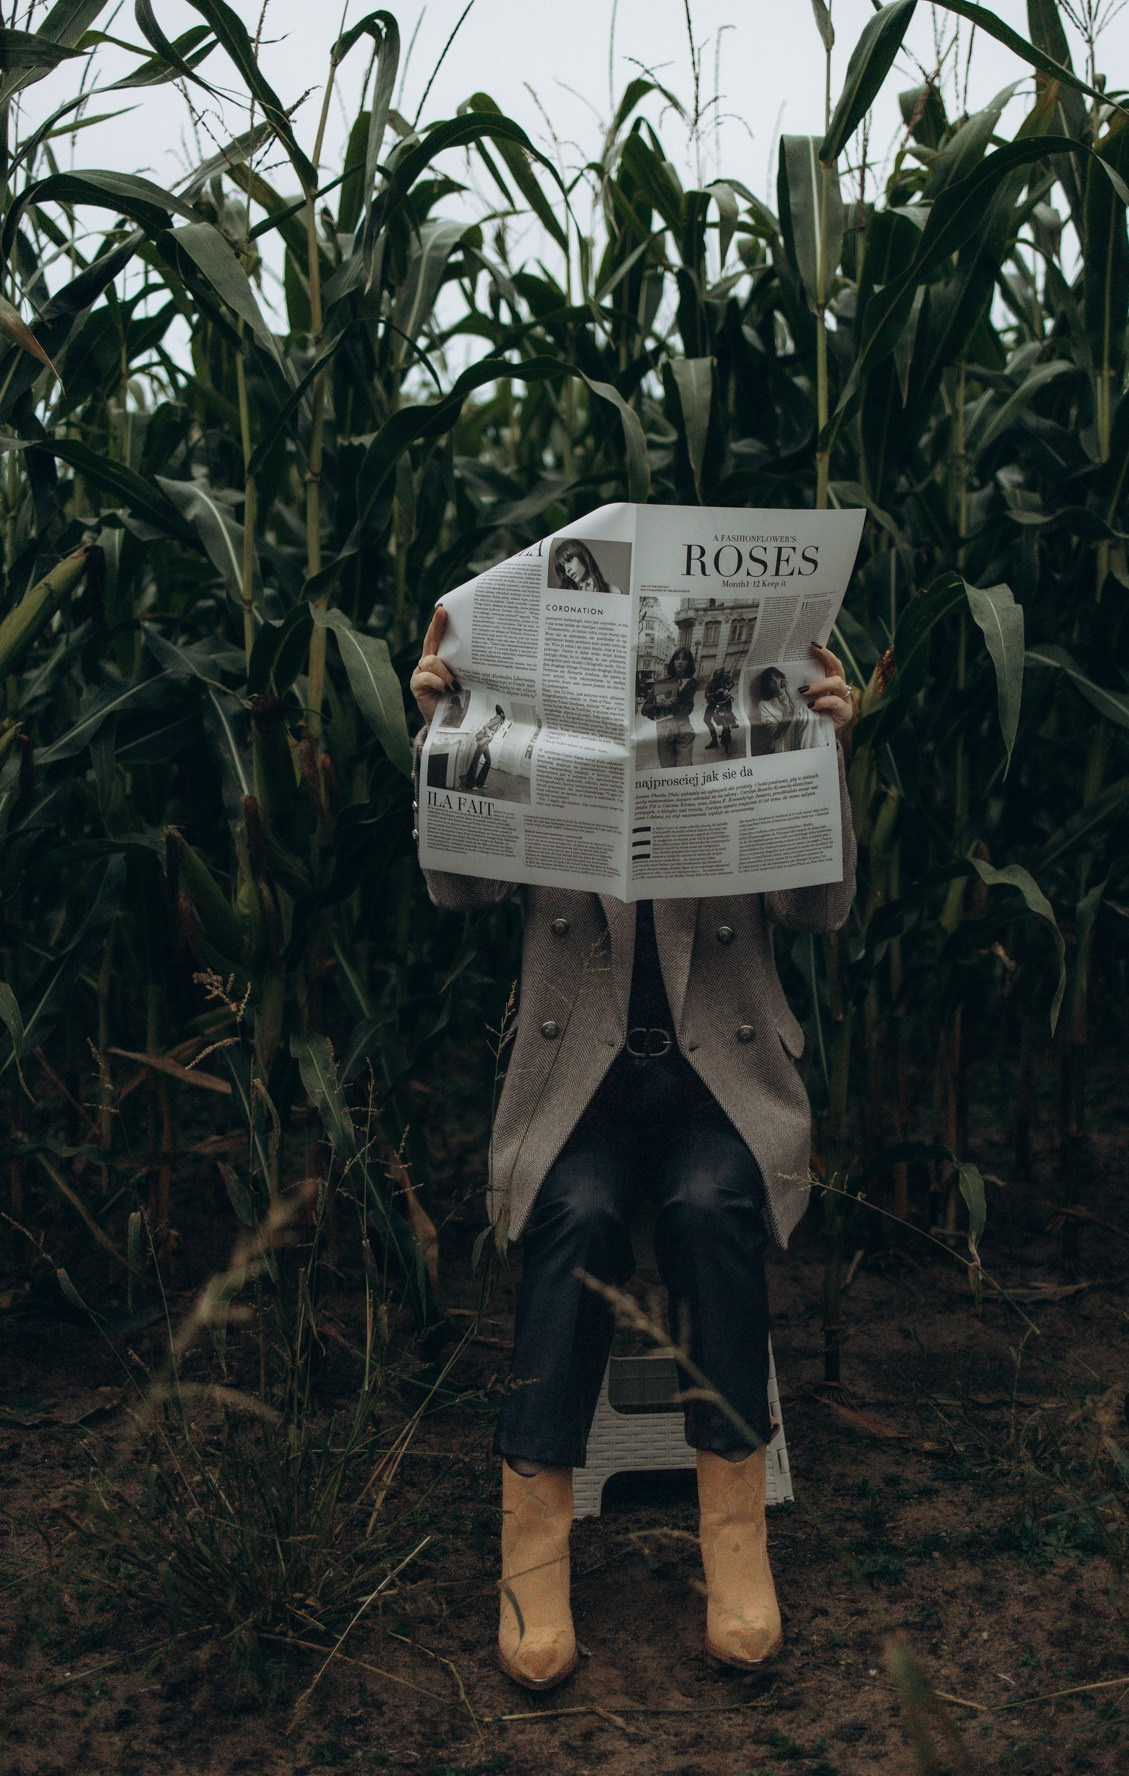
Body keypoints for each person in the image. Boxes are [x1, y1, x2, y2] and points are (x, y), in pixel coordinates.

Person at [411, 608, 859, 1692]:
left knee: (710, 1205)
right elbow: (459, 888)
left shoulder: (733, 735)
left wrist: (822, 757)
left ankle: (735, 1546)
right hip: (585, 1087)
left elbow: (815, 908)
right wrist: (444, 739)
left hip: (717, 1080)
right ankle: (534, 1554)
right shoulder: (547, 746)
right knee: (576, 1213)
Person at [639, 645, 698, 768]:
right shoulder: (662, 682)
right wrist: (659, 705)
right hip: (664, 730)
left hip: (684, 729)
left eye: (684, 659)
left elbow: (688, 709)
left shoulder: (692, 683)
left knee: (685, 769)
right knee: (668, 769)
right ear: (673, 661)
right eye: (677, 658)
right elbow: (645, 709)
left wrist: (672, 705)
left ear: (689, 662)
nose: (680, 662)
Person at [751, 666, 815, 757]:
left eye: (777, 677)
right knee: (805, 714)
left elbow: (802, 711)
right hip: (783, 740)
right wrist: (785, 712)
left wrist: (788, 692)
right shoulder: (764, 705)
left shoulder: (793, 693)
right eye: (771, 681)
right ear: (767, 686)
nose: (776, 682)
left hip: (800, 733)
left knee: (807, 714)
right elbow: (776, 735)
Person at [462, 705, 505, 791]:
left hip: (487, 742)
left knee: (488, 761)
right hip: (484, 740)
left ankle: (480, 782)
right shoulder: (498, 717)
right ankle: (470, 784)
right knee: (475, 760)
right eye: (503, 714)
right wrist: (489, 734)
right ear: (502, 713)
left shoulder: (500, 719)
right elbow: (485, 726)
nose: (504, 716)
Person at [552, 538, 616, 592]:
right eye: (563, 567)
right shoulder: (563, 593)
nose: (567, 571)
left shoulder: (614, 591)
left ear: (582, 556)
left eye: (569, 560)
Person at [702, 667, 738, 755]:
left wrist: (727, 689)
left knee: (726, 718)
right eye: (717, 674)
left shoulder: (725, 676)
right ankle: (714, 740)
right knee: (706, 719)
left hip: (725, 701)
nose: (719, 676)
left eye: (720, 674)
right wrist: (716, 693)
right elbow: (706, 695)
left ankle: (727, 736)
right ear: (714, 675)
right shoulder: (711, 683)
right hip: (714, 701)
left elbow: (731, 683)